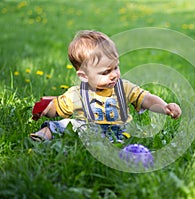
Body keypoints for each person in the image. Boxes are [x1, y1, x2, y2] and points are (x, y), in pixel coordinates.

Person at [30, 30, 181, 142]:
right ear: (84, 76)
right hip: (88, 131)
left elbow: (146, 99)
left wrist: (164, 107)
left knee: (134, 137)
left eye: (116, 67)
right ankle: (41, 137)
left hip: (120, 133)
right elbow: (57, 108)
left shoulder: (124, 88)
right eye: (106, 72)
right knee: (63, 124)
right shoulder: (77, 94)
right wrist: (44, 108)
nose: (114, 74)